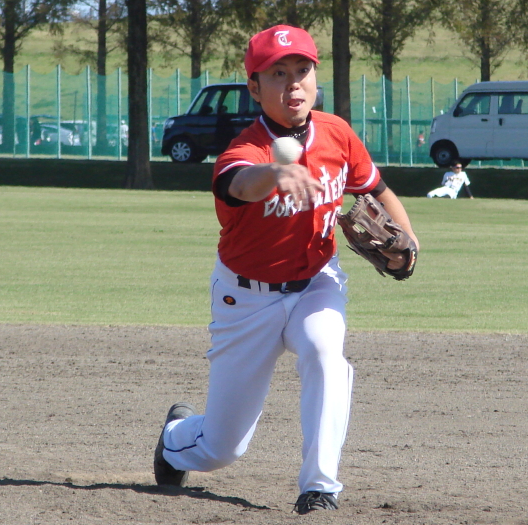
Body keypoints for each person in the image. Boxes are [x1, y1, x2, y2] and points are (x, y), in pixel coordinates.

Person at [153, 25, 419, 515]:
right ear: (254, 88)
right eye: (278, 74)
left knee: (325, 353)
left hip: (318, 281)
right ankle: (175, 438)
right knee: (222, 448)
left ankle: (319, 488)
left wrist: (410, 243)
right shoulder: (244, 150)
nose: (293, 83)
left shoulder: (337, 133)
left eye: (302, 70)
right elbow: (238, 184)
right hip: (245, 298)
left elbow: (377, 191)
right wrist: (274, 173)